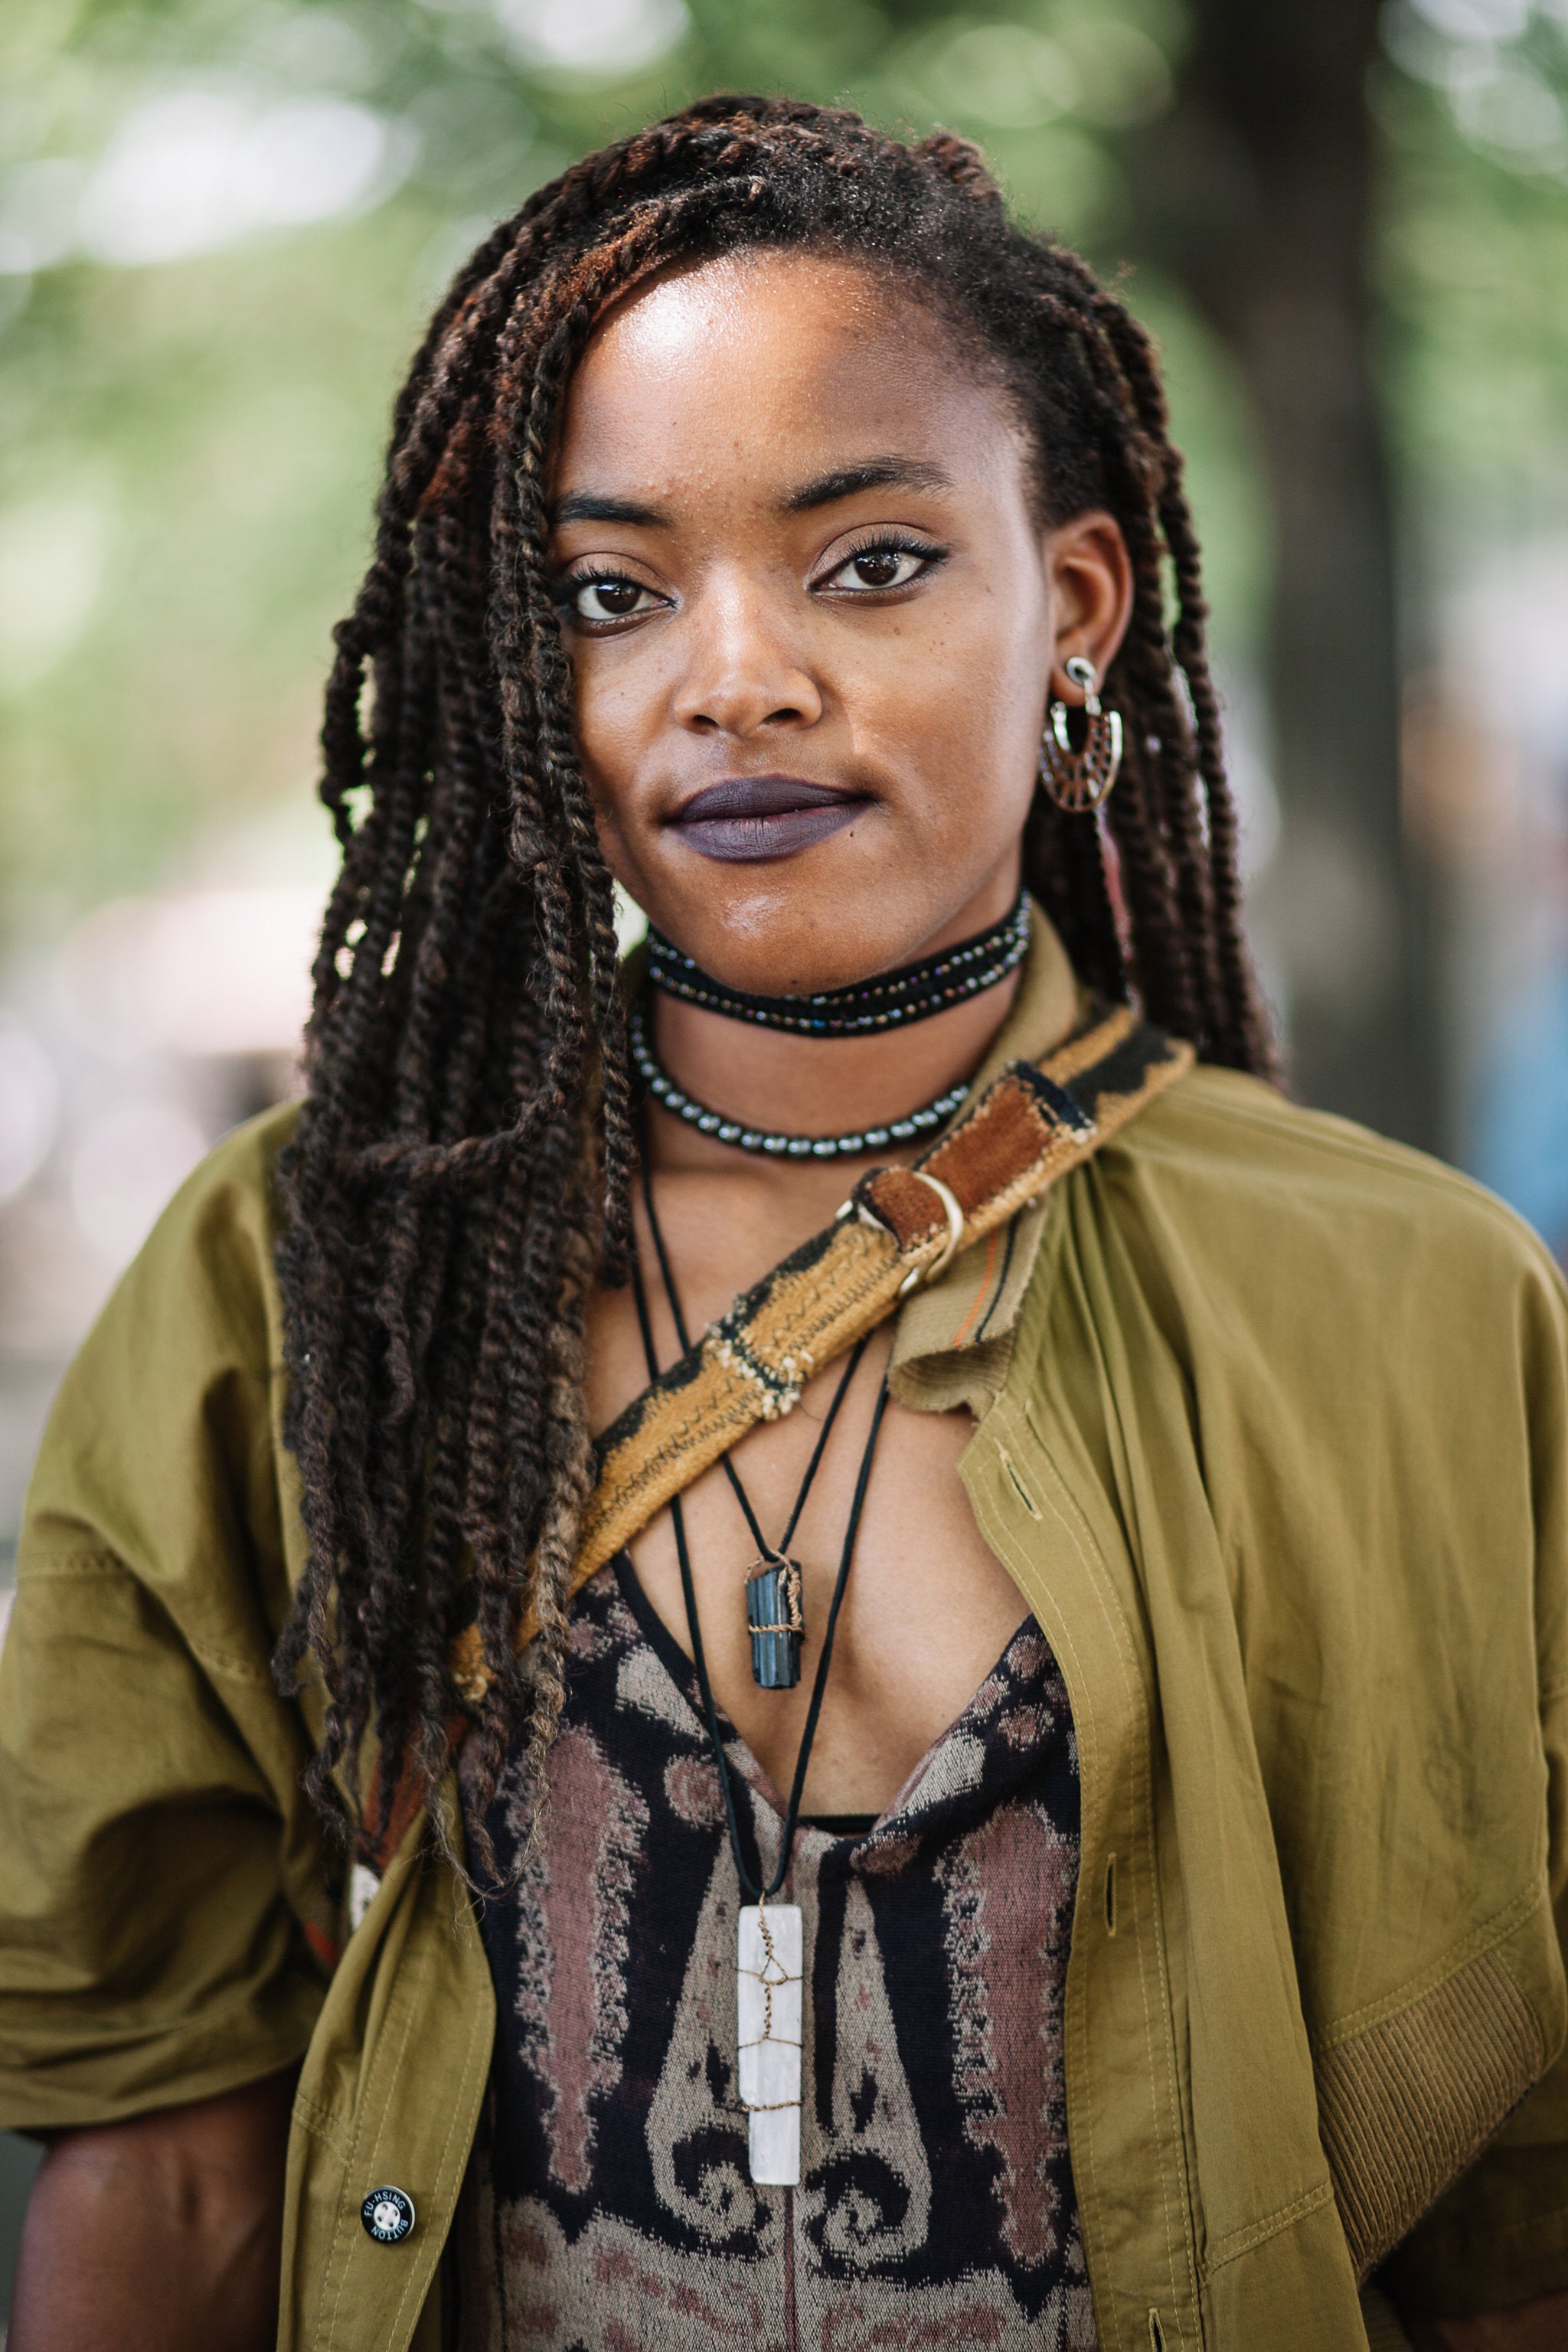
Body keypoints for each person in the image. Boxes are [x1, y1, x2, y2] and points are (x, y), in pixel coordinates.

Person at [2, 93, 1566, 2352]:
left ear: (1079, 608)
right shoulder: (311, 1283)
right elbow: (160, 2165)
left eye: (872, 561)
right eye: (611, 593)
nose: (736, 676)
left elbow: (1518, 2217)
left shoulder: (1401, 1300)